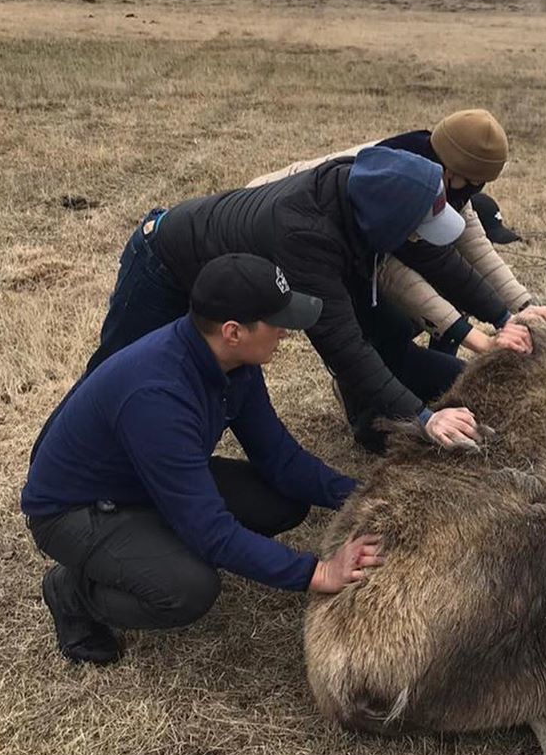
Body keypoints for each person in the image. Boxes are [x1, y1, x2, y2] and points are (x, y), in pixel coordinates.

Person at [22, 254, 381, 665]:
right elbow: (211, 531)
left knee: (281, 500)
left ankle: (150, 542)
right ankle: (72, 593)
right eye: (276, 321)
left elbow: (279, 457)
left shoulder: (234, 364)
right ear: (233, 331)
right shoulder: (157, 396)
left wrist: (361, 496)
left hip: (144, 480)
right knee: (188, 589)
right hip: (75, 509)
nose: (285, 331)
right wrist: (318, 573)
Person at [81, 146, 508, 452]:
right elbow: (343, 347)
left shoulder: (364, 194)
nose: (418, 239)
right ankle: (80, 469)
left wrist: (506, 315)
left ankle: (160, 458)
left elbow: (437, 260)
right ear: (386, 224)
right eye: (415, 228)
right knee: (118, 369)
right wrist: (425, 419)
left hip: (232, 277)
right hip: (166, 263)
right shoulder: (307, 237)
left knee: (219, 383)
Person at [247, 109, 546, 358]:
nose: (476, 189)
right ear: (454, 174)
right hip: (271, 224)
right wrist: (482, 336)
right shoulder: (394, 187)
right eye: (474, 181)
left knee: (399, 322)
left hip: (312, 227)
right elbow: (394, 273)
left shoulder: (438, 169)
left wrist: (521, 306)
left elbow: (472, 241)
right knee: (364, 329)